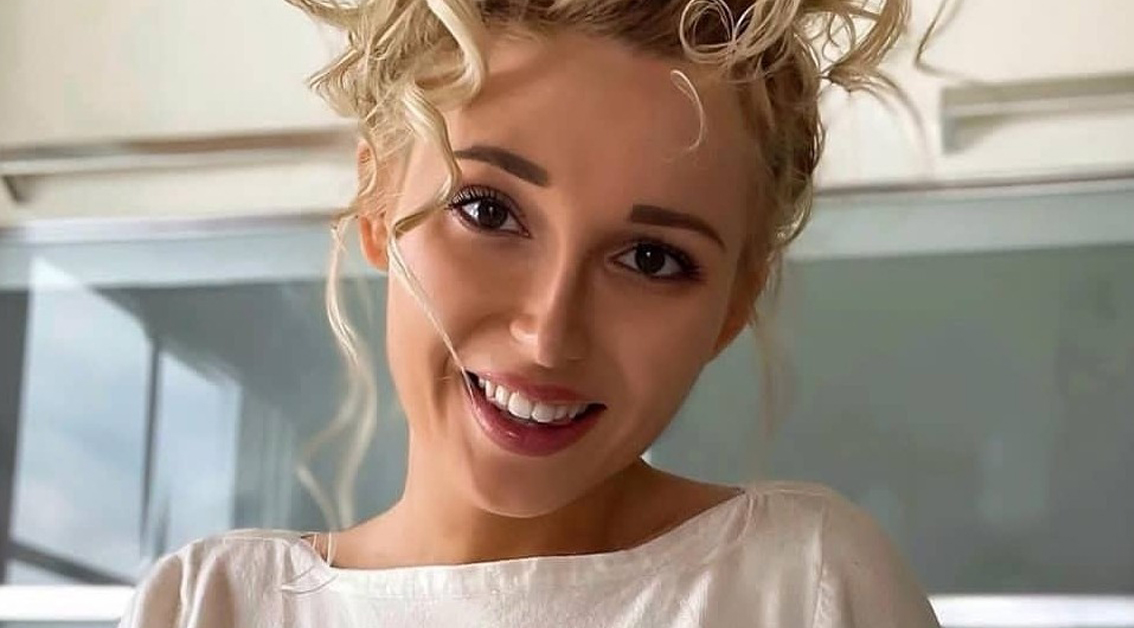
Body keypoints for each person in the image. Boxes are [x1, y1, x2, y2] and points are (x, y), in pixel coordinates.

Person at [120, 0, 939, 625]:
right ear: (376, 203)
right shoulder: (205, 606)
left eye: (651, 259)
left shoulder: (805, 588)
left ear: (733, 306)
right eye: (487, 212)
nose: (548, 336)